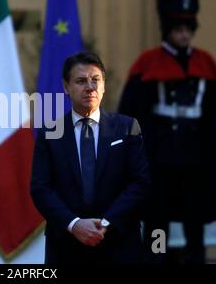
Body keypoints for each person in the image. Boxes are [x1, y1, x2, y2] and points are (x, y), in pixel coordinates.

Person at [118, 0, 216, 264]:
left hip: (196, 161)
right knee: (158, 225)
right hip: (161, 161)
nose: (184, 36)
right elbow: (131, 110)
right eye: (178, 29)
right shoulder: (148, 64)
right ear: (167, 30)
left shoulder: (205, 63)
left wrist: (212, 148)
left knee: (196, 224)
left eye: (187, 29)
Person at [31, 52, 152, 264]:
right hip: (67, 247)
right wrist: (74, 224)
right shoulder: (49, 132)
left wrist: (105, 223)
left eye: (95, 80)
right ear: (66, 87)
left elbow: (140, 182)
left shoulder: (127, 127)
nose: (90, 87)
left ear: (104, 86)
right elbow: (41, 188)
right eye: (80, 81)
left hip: (120, 244)